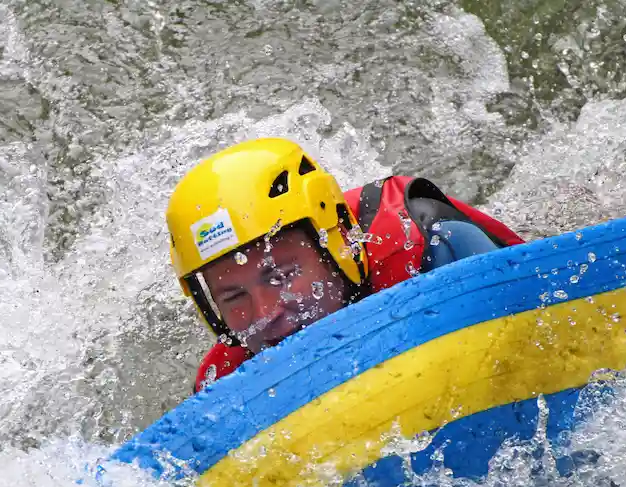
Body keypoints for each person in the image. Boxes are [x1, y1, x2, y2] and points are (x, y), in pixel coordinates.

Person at [165, 138, 525, 392]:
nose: (265, 312)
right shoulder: (227, 376)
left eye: (280, 276)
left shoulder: (432, 251)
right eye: (234, 297)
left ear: (337, 244)